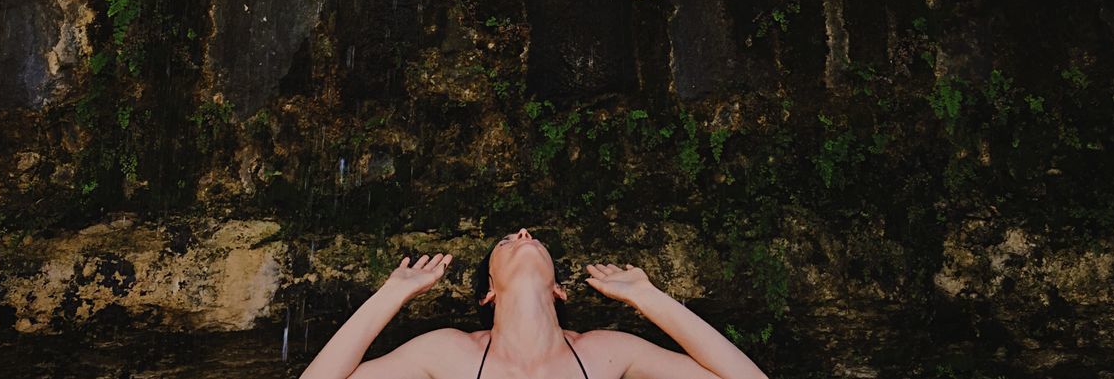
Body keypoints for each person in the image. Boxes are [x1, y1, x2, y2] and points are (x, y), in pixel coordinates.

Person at [299, 227, 770, 379]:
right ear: (488, 291)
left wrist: (649, 297)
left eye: (530, 237)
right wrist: (391, 293)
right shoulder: (448, 352)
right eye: (507, 240)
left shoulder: (606, 352)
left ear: (559, 290)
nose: (523, 235)